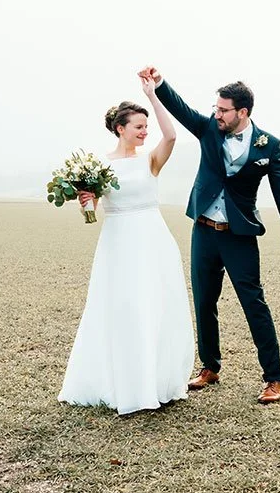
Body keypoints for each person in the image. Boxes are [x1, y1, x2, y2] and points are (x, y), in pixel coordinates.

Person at [138, 66, 280, 405]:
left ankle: (274, 378)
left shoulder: (268, 145)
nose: (217, 114)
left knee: (253, 303)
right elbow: (182, 110)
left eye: (224, 110)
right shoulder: (208, 130)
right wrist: (159, 85)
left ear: (242, 112)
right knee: (203, 301)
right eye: (215, 108)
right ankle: (210, 367)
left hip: (239, 235)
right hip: (204, 231)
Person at [58, 77, 194, 415]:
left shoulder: (150, 161)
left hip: (152, 241)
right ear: (120, 129)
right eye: (138, 126)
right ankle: (124, 385)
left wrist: (152, 95)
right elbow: (90, 211)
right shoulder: (99, 166)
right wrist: (86, 201)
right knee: (123, 307)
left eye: (146, 126)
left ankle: (155, 382)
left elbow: (172, 135)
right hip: (118, 244)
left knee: (154, 307)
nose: (145, 132)